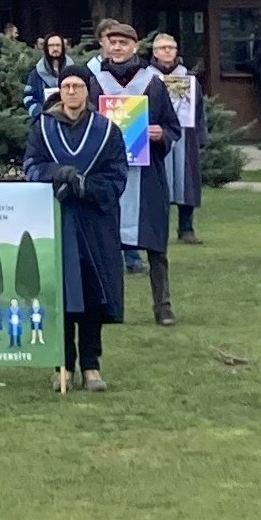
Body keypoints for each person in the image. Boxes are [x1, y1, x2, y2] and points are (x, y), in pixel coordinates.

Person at [24, 71, 132, 392]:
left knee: (91, 293)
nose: (72, 92)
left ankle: (91, 365)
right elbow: (30, 166)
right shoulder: (43, 128)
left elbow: (117, 175)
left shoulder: (107, 131)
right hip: (56, 219)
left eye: (78, 86)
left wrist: (86, 186)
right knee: (61, 293)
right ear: (60, 91)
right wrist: (56, 173)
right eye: (67, 86)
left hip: (93, 223)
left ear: (88, 91)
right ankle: (63, 365)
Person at [88, 19, 181, 325]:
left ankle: (163, 306)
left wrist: (160, 134)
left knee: (155, 242)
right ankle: (111, 305)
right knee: (108, 244)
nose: (117, 47)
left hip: (148, 174)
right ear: (105, 45)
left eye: (123, 43)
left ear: (135, 47)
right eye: (112, 42)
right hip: (111, 175)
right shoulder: (95, 83)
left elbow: (172, 126)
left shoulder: (153, 83)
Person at [150, 32, 207, 244]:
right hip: (157, 137)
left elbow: (200, 109)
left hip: (186, 136)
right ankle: (158, 229)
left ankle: (186, 228)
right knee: (158, 182)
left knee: (187, 182)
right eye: (162, 48)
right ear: (155, 52)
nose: (167, 51)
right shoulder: (146, 78)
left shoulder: (188, 78)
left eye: (171, 48)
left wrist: (201, 135)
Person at [24, 32, 81, 122]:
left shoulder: (74, 71)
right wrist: (40, 115)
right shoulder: (36, 73)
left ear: (63, 47)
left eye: (58, 45)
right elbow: (29, 97)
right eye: (51, 45)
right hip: (44, 121)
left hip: (71, 120)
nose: (55, 49)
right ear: (46, 48)